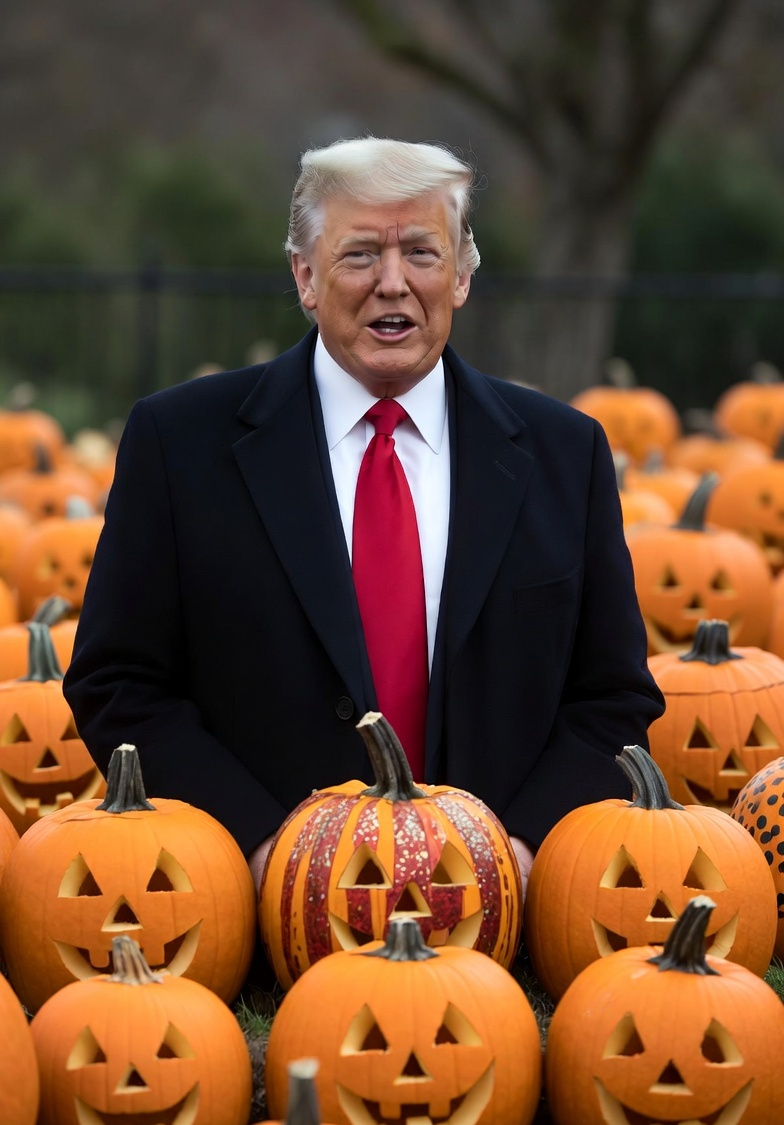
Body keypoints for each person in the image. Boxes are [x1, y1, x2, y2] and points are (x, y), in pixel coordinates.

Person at [63, 136, 664, 907]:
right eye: (358, 256)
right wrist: (258, 849)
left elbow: (612, 699)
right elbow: (118, 682)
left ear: (463, 275)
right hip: (260, 906)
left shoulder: (564, 452)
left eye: (421, 251)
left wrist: (517, 848)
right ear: (305, 276)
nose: (392, 283)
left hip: (495, 913)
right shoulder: (180, 444)